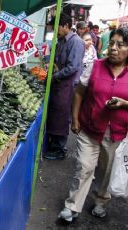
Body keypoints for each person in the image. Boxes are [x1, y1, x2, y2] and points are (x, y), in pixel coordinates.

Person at [58, 27, 128, 222]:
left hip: (118, 133)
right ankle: (72, 206)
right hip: (90, 128)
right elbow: (79, 93)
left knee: (107, 171)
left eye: (120, 44)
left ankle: (100, 201)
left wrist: (126, 104)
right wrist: (75, 119)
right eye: (111, 43)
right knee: (83, 167)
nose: (114, 48)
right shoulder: (95, 66)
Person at [44, 14, 85, 160]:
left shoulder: (76, 42)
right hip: (59, 83)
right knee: (55, 114)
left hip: (68, 85)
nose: (55, 32)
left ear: (66, 26)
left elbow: (73, 67)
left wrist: (54, 76)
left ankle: (59, 150)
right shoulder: (60, 41)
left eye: (57, 28)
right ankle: (54, 145)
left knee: (61, 116)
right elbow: (54, 58)